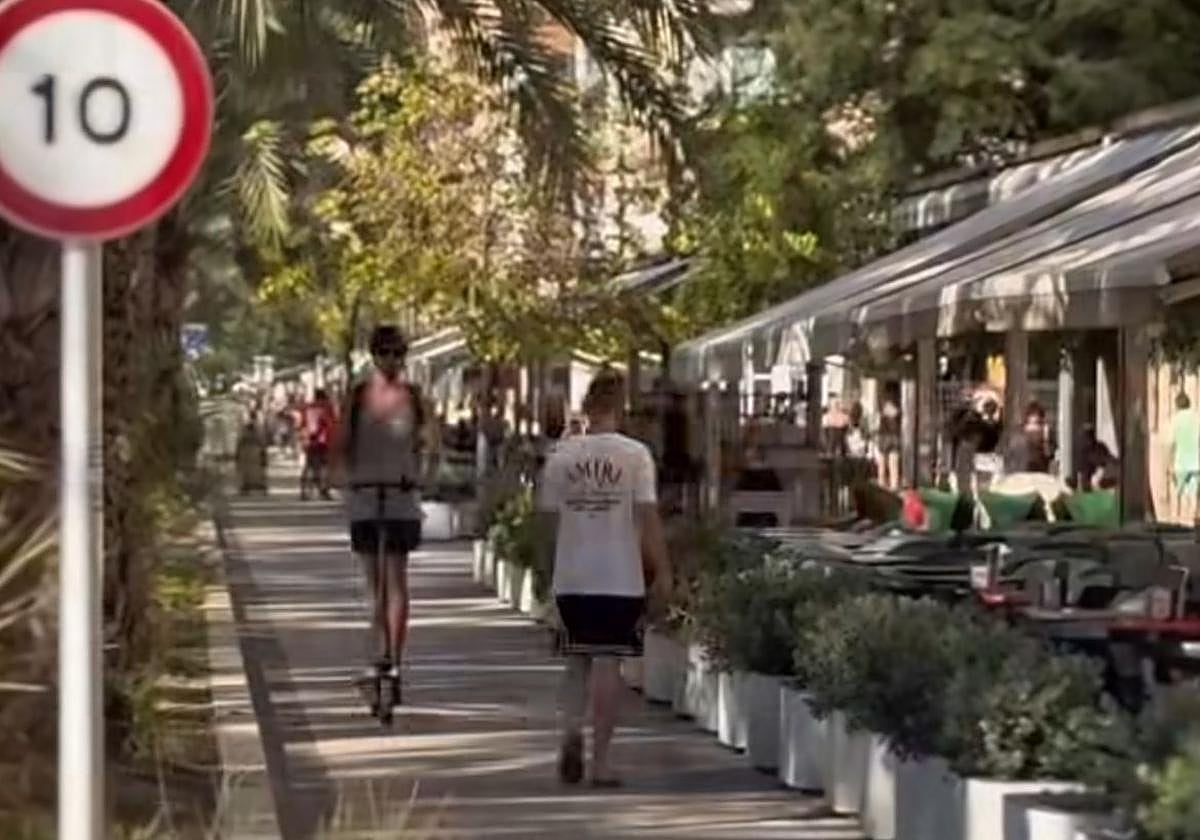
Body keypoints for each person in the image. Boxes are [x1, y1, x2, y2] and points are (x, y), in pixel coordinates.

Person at [536, 371, 672, 787]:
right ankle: (600, 762)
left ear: (588, 408)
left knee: (575, 662)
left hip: (572, 574)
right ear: (620, 408)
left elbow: (545, 525)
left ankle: (572, 728)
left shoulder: (561, 457)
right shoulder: (636, 456)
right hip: (618, 575)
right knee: (608, 664)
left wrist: (546, 574)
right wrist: (662, 571)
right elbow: (647, 521)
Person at [337, 325, 427, 710]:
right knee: (379, 585)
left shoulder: (414, 398)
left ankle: (392, 660)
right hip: (367, 495)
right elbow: (341, 443)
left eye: (398, 353)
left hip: (397, 496)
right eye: (386, 353)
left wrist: (423, 473)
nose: (393, 360)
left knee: (395, 582)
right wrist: (342, 477)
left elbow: (430, 442)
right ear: (374, 356)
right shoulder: (357, 398)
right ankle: (382, 657)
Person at [299, 388, 336, 500]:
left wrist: (305, 437)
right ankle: (323, 490)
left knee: (309, 465)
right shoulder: (326, 407)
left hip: (309, 441)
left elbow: (303, 424)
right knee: (324, 466)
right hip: (322, 441)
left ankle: (305, 491)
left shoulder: (308, 408)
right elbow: (327, 423)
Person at [1170, 393, 1200, 523]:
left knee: (1176, 491)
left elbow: (1172, 442)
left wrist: (1169, 462)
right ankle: (1191, 521)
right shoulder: (1197, 418)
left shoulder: (1175, 420)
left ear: (1176, 405)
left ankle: (1175, 519)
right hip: (1196, 462)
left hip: (1180, 462)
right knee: (1193, 493)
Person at [875, 393, 902, 491]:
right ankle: (893, 484)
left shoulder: (883, 408)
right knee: (892, 463)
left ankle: (882, 484)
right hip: (893, 436)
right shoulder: (897, 410)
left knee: (882, 463)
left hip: (884, 436)